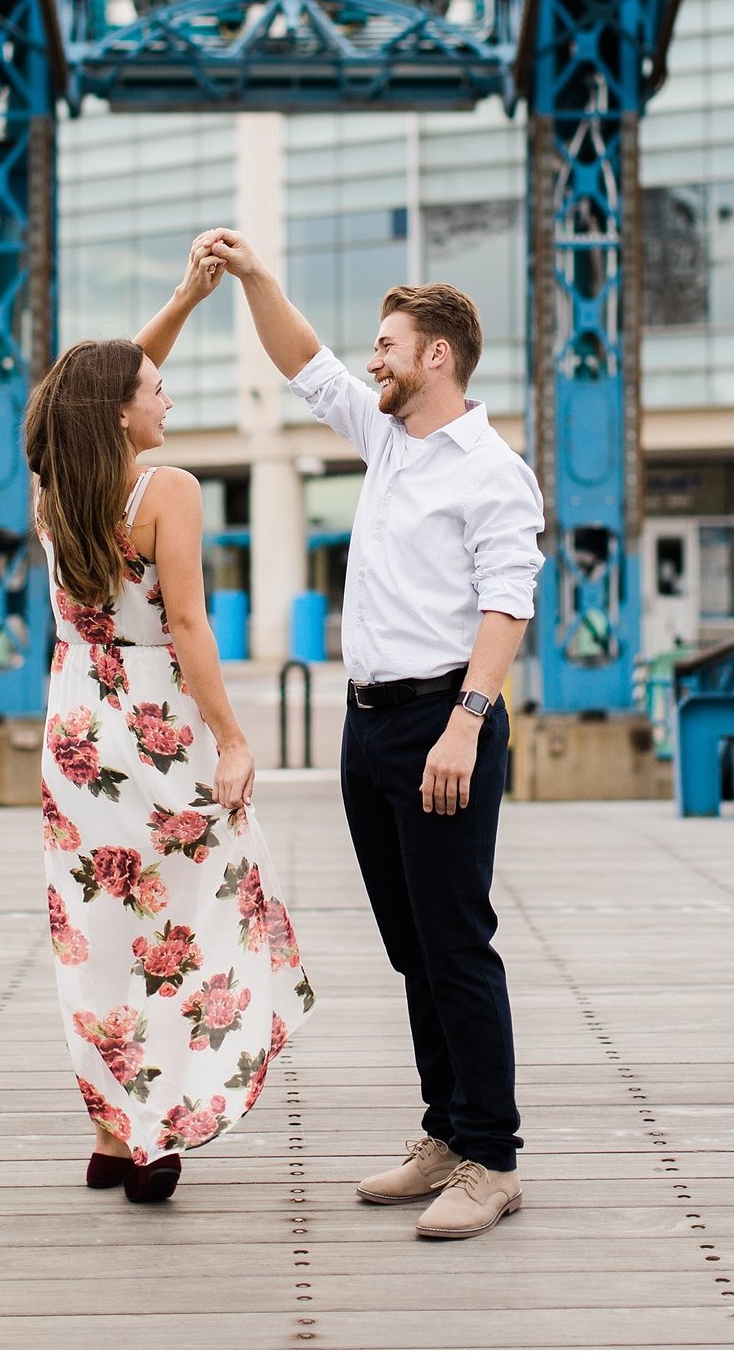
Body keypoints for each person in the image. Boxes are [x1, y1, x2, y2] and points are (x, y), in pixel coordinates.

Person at [197, 226, 544, 1241]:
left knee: (456, 941)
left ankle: (493, 1157)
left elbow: (507, 602)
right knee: (411, 947)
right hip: (369, 726)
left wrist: (466, 726)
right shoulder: (389, 436)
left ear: (437, 354)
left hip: (446, 722)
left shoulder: (491, 468)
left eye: (389, 342)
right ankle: (445, 1132)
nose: (373, 356)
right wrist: (259, 273)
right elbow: (303, 359)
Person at [23, 239, 314, 1204]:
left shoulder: (54, 492)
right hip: (153, 726)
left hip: (75, 729)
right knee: (197, 912)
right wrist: (232, 738)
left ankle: (113, 1132)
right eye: (156, 388)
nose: (169, 395)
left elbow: (84, 393)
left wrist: (184, 302)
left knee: (99, 926)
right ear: (122, 412)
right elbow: (187, 625)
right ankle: (160, 1131)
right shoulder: (170, 490)